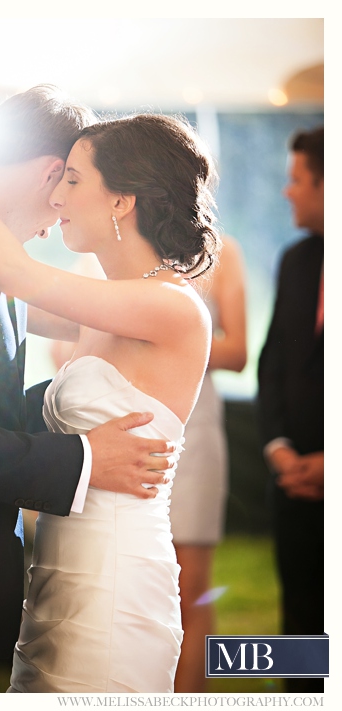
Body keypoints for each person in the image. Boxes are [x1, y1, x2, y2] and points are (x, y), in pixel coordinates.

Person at [0, 110, 219, 692]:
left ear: (121, 200)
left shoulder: (171, 306)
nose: (57, 195)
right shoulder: (104, 304)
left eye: (72, 180)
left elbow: (11, 271)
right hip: (55, 575)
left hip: (114, 576)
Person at [257, 126, 323, 694]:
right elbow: (273, 361)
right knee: (300, 628)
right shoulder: (297, 260)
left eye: (297, 179)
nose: (286, 192)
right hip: (294, 482)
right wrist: (279, 447)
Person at [170, 236, 247, 693]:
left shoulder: (225, 251)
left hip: (195, 432)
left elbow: (237, 352)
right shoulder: (113, 240)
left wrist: (168, 332)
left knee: (191, 586)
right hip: (135, 428)